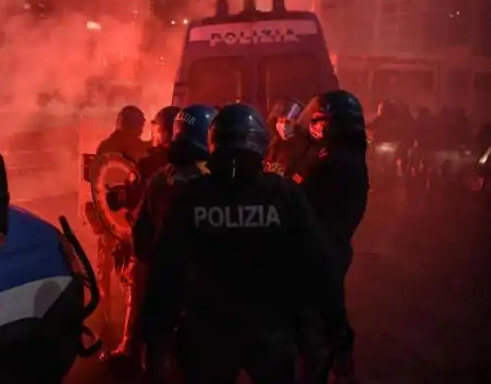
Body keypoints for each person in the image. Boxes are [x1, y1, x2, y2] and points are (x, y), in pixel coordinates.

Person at [141, 103, 346, 384]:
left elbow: (165, 271)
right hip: (271, 331)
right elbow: (318, 264)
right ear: (260, 143)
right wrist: (330, 332)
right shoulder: (283, 194)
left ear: (214, 143)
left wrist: (156, 340)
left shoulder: (192, 197)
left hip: (207, 333)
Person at [104, 105, 217, 365]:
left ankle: (131, 347)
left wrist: (148, 258)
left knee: (156, 339)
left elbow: (141, 229)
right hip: (206, 281)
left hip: (163, 271)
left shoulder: (158, 174)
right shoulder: (220, 178)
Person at [290, 90, 369, 384]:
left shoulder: (330, 161)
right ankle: (341, 362)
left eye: (318, 120)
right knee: (330, 309)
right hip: (334, 245)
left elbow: (300, 200)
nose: (313, 125)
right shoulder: (351, 156)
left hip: (319, 249)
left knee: (312, 323)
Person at [99, 105, 180, 364]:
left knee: (137, 294)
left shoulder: (148, 164)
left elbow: (126, 196)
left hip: (149, 246)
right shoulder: (201, 163)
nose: (149, 132)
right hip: (184, 248)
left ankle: (129, 347)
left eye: (155, 127)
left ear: (165, 131)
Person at [83, 104, 150, 349]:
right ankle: (105, 326)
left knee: (120, 275)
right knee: (109, 275)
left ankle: (115, 324)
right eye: (139, 124)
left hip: (125, 223)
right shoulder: (110, 149)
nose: (141, 128)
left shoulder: (134, 148)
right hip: (114, 222)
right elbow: (99, 188)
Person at [264, 97, 306, 176]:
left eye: (288, 122)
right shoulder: (273, 145)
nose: (283, 126)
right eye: (280, 121)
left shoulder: (303, 148)